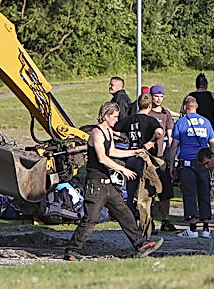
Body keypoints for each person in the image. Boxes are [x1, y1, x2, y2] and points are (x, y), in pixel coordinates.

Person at [65, 101, 163, 260]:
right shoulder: (96, 133)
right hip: (95, 184)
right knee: (90, 219)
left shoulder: (109, 132)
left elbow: (112, 151)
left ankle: (141, 244)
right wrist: (123, 169)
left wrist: (134, 152)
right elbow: (103, 158)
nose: (117, 120)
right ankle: (72, 251)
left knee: (124, 213)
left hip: (107, 183)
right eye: (115, 117)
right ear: (106, 115)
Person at [169, 95, 214, 237]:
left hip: (187, 163)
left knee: (190, 194)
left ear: (184, 107)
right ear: (196, 107)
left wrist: (172, 164)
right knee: (204, 193)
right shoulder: (206, 122)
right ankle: (206, 228)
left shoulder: (181, 122)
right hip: (203, 163)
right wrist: (212, 161)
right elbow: (212, 144)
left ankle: (193, 228)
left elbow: (174, 145)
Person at [116, 93, 165, 230]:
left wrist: (125, 137)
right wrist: (151, 142)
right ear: (150, 106)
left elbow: (114, 130)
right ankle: (148, 226)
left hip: (131, 157)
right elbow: (160, 132)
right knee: (146, 194)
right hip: (144, 160)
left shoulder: (129, 120)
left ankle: (131, 225)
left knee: (131, 193)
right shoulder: (151, 120)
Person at [148, 85, 178, 232]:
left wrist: (173, 154)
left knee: (166, 190)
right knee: (149, 190)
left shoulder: (166, 114)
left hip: (162, 157)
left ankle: (165, 220)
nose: (159, 99)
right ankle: (149, 221)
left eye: (161, 96)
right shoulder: (147, 113)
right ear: (151, 97)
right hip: (149, 157)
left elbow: (170, 136)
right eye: (156, 96)